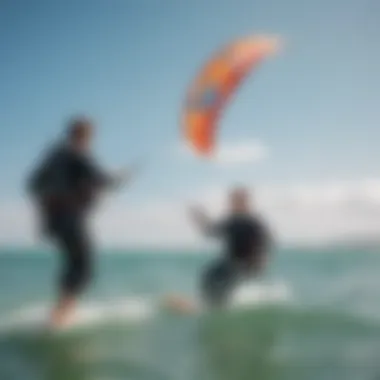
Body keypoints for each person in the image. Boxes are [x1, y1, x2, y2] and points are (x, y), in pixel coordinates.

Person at [27, 116, 131, 329]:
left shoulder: (54, 156)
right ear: (84, 136)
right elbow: (104, 181)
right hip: (70, 219)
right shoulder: (78, 155)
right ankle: (60, 317)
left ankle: (59, 310)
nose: (90, 142)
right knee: (84, 266)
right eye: (90, 137)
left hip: (52, 222)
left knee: (74, 263)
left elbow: (32, 184)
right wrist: (121, 178)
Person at [189, 187, 272, 308]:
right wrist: (200, 217)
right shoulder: (231, 221)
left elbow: (265, 242)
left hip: (245, 264)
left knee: (219, 277)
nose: (232, 204)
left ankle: (217, 304)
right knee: (209, 275)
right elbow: (211, 231)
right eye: (232, 201)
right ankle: (210, 303)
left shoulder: (253, 222)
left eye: (236, 201)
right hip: (230, 262)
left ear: (245, 202)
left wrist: (261, 261)